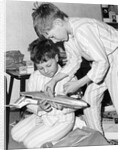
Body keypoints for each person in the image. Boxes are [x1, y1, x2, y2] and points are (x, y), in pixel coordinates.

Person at [32, 2, 118, 134]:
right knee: (89, 99)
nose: (54, 41)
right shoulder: (68, 36)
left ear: (58, 23)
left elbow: (102, 62)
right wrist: (54, 80)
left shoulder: (82, 29)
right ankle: (98, 137)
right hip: (103, 64)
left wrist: (78, 83)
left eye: (52, 36)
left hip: (117, 58)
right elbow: (74, 61)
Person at [11, 39, 78, 148]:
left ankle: (65, 135)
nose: (46, 71)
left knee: (30, 143)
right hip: (41, 117)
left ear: (56, 58)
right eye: (41, 68)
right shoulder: (35, 76)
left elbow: (77, 104)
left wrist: (63, 105)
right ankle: (44, 133)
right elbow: (28, 101)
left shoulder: (69, 77)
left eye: (49, 65)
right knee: (15, 134)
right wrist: (39, 108)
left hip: (62, 120)